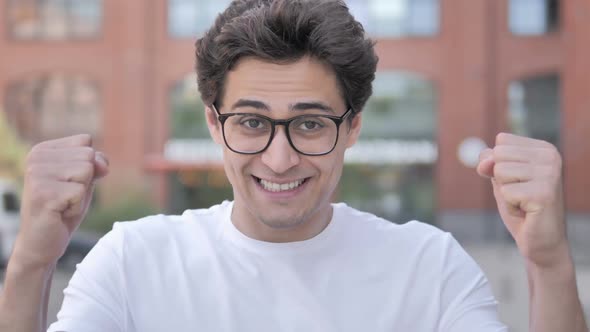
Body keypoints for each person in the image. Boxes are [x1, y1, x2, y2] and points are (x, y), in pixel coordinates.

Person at [0, 0, 587, 331]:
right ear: (213, 122)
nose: (279, 159)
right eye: (252, 122)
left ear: (352, 126)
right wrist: (30, 262)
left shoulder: (428, 269)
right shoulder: (134, 260)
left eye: (310, 123)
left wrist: (550, 264)